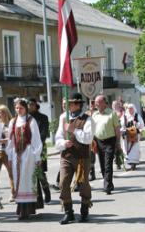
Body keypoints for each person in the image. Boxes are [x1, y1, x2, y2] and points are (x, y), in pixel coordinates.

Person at [55, 93, 93, 224]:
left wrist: (74, 130)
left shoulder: (87, 119)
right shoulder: (63, 118)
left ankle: (84, 210)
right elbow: (58, 137)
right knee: (63, 183)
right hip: (66, 155)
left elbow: (88, 138)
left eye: (70, 103)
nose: (67, 106)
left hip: (82, 157)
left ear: (78, 105)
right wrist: (63, 143)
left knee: (83, 185)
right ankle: (68, 212)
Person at [6, 98, 43, 220]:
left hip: (28, 154)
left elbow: (36, 139)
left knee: (27, 181)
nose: (18, 110)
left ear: (25, 108)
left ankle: (27, 210)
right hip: (16, 154)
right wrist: (10, 156)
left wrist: (37, 156)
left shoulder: (31, 121)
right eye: (16, 108)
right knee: (18, 181)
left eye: (20, 108)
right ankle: (21, 208)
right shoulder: (13, 121)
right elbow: (11, 140)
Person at [92, 95, 121, 195]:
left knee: (108, 163)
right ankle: (109, 183)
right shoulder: (94, 115)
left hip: (110, 141)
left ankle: (107, 186)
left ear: (104, 103)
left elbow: (117, 129)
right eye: (95, 102)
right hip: (98, 141)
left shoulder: (112, 114)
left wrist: (118, 144)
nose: (96, 104)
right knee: (102, 164)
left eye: (98, 102)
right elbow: (92, 129)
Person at [28, 98, 51, 203]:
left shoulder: (43, 118)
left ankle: (46, 191)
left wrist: (36, 145)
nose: (30, 106)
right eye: (28, 104)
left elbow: (44, 133)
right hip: (27, 149)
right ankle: (37, 197)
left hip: (40, 147)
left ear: (36, 105)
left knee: (39, 171)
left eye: (32, 104)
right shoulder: (25, 118)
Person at [0, 105, 15, 202]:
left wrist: (6, 140)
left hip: (8, 152)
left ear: (6, 113)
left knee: (11, 174)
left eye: (1, 112)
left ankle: (13, 193)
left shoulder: (11, 123)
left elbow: (13, 137)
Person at [121, 104, 144, 171]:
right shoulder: (125, 116)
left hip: (135, 134)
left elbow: (141, 124)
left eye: (131, 108)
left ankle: (133, 163)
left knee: (134, 148)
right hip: (127, 135)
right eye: (129, 109)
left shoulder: (137, 115)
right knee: (126, 148)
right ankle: (129, 162)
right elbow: (122, 125)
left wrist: (136, 124)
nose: (130, 110)